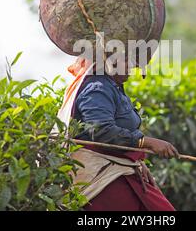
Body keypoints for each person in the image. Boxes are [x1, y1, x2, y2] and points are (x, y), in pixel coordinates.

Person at [63, 54, 179, 211]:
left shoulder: (112, 86)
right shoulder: (97, 88)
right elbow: (101, 131)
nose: (132, 65)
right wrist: (147, 143)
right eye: (127, 60)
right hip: (103, 179)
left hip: (121, 171)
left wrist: (136, 161)